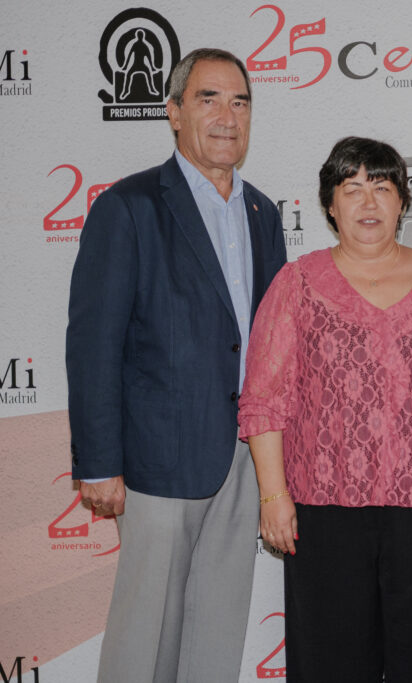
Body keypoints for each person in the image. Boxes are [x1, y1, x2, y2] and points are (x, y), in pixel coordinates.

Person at [238, 136, 412, 682]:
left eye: (381, 187)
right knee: (330, 662)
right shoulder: (297, 284)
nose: (368, 202)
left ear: (402, 201)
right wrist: (274, 495)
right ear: (330, 205)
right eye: (351, 188)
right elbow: (264, 397)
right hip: (322, 507)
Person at [66, 48, 287, 682]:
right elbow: (94, 342)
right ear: (173, 112)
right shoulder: (129, 206)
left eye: (240, 102)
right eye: (208, 99)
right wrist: (99, 463)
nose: (227, 116)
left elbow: (273, 343)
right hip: (157, 459)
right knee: (144, 639)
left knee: (217, 631)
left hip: (243, 457)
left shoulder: (263, 213)